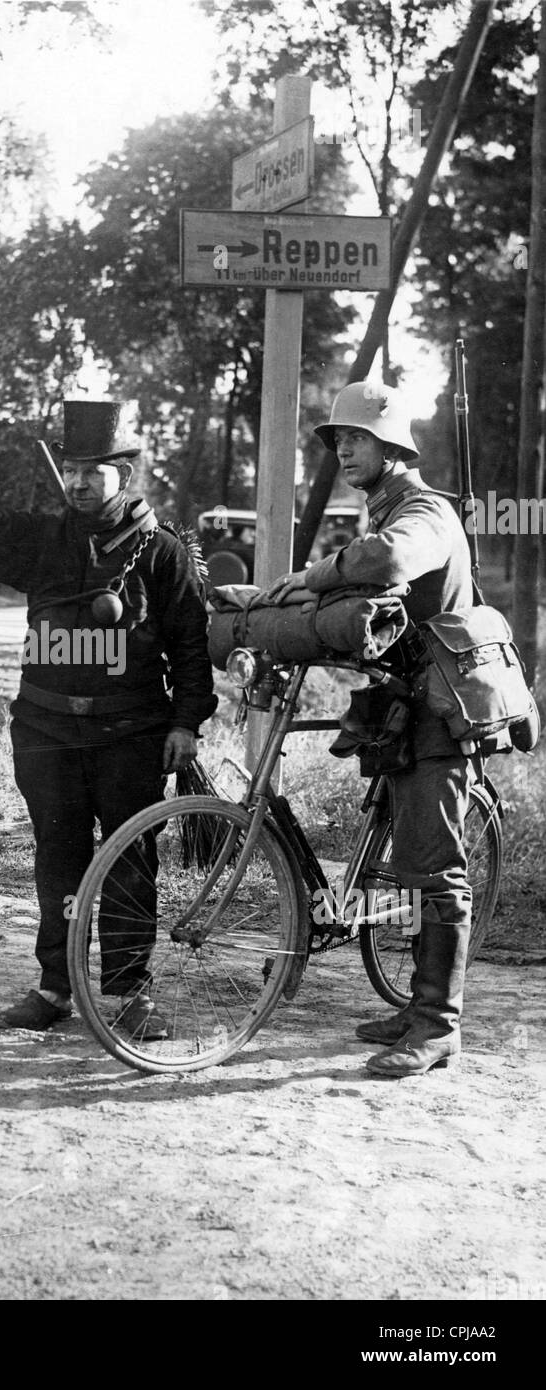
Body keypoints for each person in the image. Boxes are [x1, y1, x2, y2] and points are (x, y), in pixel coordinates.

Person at [0, 400, 217, 1034]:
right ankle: (56, 986)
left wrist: (186, 723)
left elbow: (192, 644)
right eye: (72, 469)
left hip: (131, 736)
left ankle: (130, 994)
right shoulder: (44, 540)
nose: (78, 482)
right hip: (47, 732)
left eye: (94, 471)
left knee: (131, 860)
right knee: (58, 858)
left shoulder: (163, 553)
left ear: (124, 475)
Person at [267, 381, 474, 1078]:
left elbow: (386, 564)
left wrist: (313, 572)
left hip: (439, 716)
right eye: (338, 440)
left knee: (432, 872)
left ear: (391, 447)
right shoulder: (385, 509)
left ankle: (437, 1027)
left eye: (355, 439)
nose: (343, 450)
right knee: (407, 871)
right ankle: (415, 1005)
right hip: (396, 710)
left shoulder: (424, 512)